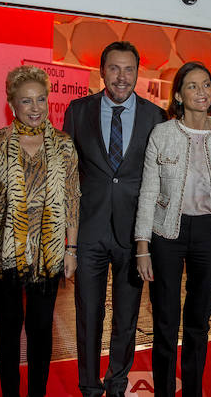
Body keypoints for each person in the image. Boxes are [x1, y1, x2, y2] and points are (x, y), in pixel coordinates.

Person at [63, 41, 167, 397]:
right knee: (88, 315)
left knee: (127, 317)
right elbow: (69, 175)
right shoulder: (78, 111)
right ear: (102, 71)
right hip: (89, 230)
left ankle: (118, 383)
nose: (122, 77)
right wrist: (69, 240)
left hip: (134, 234)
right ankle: (90, 387)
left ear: (138, 72)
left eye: (129, 70)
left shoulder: (156, 117)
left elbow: (157, 177)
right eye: (114, 69)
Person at [134, 62, 211, 397]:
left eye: (206, 85)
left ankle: (193, 390)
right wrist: (142, 246)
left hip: (210, 234)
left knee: (199, 320)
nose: (201, 92)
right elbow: (148, 191)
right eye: (192, 86)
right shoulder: (162, 134)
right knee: (165, 320)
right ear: (178, 94)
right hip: (167, 233)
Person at [0, 66, 80, 397]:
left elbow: (72, 200)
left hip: (49, 253)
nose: (36, 108)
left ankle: (37, 392)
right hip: (3, 250)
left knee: (40, 328)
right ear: (12, 104)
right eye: (26, 101)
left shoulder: (64, 145)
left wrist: (71, 249)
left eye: (41, 99)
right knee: (8, 327)